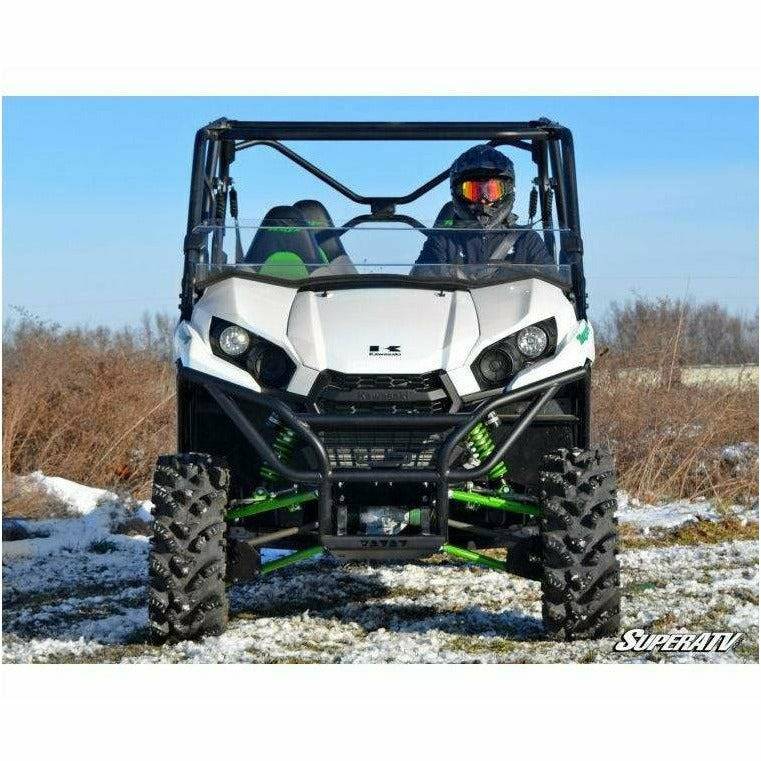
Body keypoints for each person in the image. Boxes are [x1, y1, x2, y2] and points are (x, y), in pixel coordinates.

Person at [412, 145, 553, 279]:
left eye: (492, 191)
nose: (483, 200)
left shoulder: (526, 240)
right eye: (473, 191)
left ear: (508, 190)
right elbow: (420, 284)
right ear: (458, 193)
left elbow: (553, 289)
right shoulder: (443, 239)